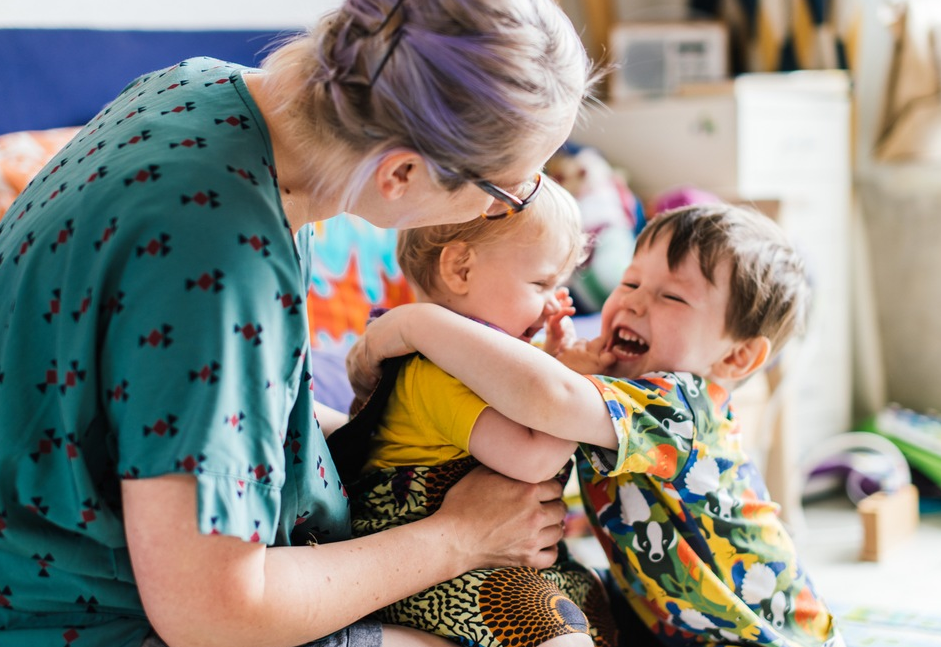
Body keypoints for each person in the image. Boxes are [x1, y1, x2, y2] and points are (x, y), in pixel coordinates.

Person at [0, 0, 597, 646]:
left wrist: (386, 423)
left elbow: (184, 415)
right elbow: (216, 615)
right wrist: (458, 536)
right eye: (507, 194)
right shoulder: (221, 262)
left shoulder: (200, 90)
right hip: (94, 620)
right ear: (402, 172)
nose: (504, 207)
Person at [348, 203, 844, 647]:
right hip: (671, 621)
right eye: (629, 282)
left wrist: (417, 324)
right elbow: (531, 396)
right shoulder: (620, 393)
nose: (631, 303)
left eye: (671, 297)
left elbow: (551, 398)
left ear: (736, 356)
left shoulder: (680, 408)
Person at [329, 178, 614, 647]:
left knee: (593, 601)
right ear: (460, 268)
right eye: (541, 283)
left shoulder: (484, 366)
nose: (553, 307)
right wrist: (573, 384)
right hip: (431, 577)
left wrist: (549, 369)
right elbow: (533, 458)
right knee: (560, 636)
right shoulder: (435, 372)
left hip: (495, 559)